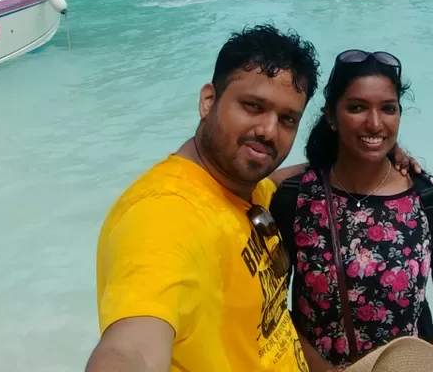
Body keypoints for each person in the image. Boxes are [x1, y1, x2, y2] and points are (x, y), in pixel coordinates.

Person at [86, 24, 321, 372]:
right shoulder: (165, 214)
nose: (269, 131)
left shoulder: (241, 186)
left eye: (287, 119)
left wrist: (366, 158)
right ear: (208, 100)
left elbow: (273, 178)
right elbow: (130, 350)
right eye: (252, 106)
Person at [270, 50, 433, 371]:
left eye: (388, 109)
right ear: (330, 116)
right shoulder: (295, 197)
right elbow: (271, 303)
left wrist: (428, 361)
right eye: (356, 108)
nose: (375, 123)